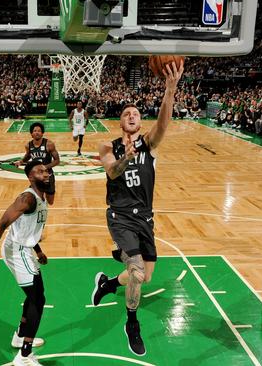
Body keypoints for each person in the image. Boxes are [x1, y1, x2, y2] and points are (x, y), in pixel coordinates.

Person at [90, 60, 184, 356]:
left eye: (136, 113)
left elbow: (164, 123)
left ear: (140, 122)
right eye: (127, 113)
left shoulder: (149, 143)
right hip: (119, 216)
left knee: (146, 276)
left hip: (145, 217)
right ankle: (132, 323)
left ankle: (106, 284)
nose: (132, 115)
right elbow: (112, 173)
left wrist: (170, 90)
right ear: (120, 121)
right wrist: (126, 158)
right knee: (136, 270)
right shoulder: (108, 147)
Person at [0, 160, 51, 366]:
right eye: (39, 172)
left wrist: (38, 250)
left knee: (35, 296)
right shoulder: (27, 198)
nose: (45, 174)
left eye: (46, 171)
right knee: (38, 300)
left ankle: (20, 335)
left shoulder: (41, 196)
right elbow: (1, 224)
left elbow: (28, 227)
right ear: (30, 177)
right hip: (16, 251)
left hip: (25, 249)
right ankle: (24, 355)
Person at [14, 123, 60, 205]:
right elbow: (28, 155)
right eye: (35, 131)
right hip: (36, 177)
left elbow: (57, 161)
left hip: (48, 176)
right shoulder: (28, 145)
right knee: (33, 198)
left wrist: (44, 167)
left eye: (39, 131)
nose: (37, 132)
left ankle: (43, 201)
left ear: (42, 133)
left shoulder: (49, 144)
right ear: (31, 134)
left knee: (50, 202)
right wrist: (20, 162)